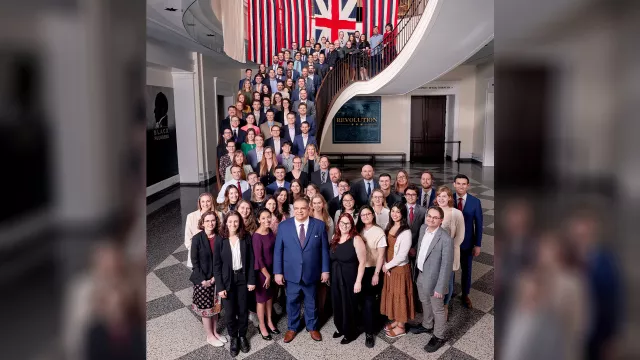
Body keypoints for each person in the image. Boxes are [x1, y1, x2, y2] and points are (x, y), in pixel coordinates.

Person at [274, 197, 330, 343]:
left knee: (311, 301)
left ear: (309, 209)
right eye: (297, 208)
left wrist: (325, 270)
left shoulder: (319, 225)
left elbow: (324, 250)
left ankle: (312, 327)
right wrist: (278, 272)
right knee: (292, 301)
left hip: (312, 272)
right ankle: (292, 328)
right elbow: (278, 251)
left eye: (303, 208)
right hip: (291, 273)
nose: (299, 211)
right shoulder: (284, 226)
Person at [212, 211, 256, 357]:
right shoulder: (220, 239)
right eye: (230, 222)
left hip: (243, 279)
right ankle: (234, 338)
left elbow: (250, 261)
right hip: (227, 280)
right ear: (225, 223)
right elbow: (216, 265)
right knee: (230, 313)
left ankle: (243, 336)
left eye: (236, 221)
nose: (233, 224)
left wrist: (251, 280)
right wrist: (220, 286)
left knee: (243, 310)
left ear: (240, 222)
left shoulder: (246, 237)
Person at [411, 206, 453, 353]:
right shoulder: (423, 228)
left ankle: (438, 336)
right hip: (421, 274)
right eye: (429, 216)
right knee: (424, 301)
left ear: (440, 220)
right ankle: (427, 324)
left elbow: (446, 266)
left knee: (438, 309)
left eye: (435, 217)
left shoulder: (445, 239)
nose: (431, 219)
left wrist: (440, 288)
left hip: (435, 280)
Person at [189, 210, 226, 347]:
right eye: (207, 221)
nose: (210, 223)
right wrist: (203, 279)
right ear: (202, 223)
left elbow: (223, 259)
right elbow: (195, 262)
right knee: (206, 309)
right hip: (202, 280)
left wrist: (215, 278)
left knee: (215, 308)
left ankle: (215, 332)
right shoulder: (197, 238)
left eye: (213, 220)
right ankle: (209, 336)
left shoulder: (220, 237)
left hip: (216, 278)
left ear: (216, 222)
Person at [330, 213, 367, 344]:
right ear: (338, 224)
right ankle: (340, 327)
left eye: (347, 223)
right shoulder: (335, 237)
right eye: (342, 223)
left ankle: (350, 332)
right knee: (337, 304)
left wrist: (358, 281)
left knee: (348, 305)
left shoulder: (356, 239)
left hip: (350, 277)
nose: (344, 226)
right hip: (336, 277)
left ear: (351, 225)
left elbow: (362, 262)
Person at [381, 202, 415, 338]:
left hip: (399, 268)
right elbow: (384, 247)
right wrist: (385, 263)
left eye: (398, 212)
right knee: (393, 294)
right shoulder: (389, 226)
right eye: (393, 211)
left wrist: (387, 266)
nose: (394, 214)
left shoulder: (406, 231)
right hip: (389, 266)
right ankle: (397, 320)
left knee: (400, 295)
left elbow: (401, 256)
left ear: (403, 214)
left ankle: (401, 326)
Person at [356, 205, 387, 348]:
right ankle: (363, 323)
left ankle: (369, 333)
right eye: (363, 215)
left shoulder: (379, 231)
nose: (365, 217)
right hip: (359, 270)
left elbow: (381, 255)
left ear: (373, 215)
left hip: (372, 270)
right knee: (360, 300)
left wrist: (376, 274)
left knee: (369, 302)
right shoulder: (358, 230)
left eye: (368, 214)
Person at [433, 185, 465, 319]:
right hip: (435, 253)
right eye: (439, 196)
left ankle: (445, 305)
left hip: (449, 252)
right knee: (436, 279)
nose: (441, 199)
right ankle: (437, 305)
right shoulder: (433, 210)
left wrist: (450, 249)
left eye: (444, 196)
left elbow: (460, 235)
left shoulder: (456, 213)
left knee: (448, 280)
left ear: (450, 198)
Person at [452, 174, 483, 309]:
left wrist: (478, 244)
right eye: (458, 183)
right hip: (451, 242)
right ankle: (449, 292)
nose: (461, 186)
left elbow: (479, 224)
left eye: (464, 184)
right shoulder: (448, 199)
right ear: (454, 184)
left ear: (468, 185)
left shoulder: (475, 202)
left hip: (467, 243)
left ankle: (465, 294)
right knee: (449, 270)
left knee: (467, 270)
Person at [252, 209, 280, 341]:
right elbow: (258, 258)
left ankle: (270, 321)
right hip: (262, 273)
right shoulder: (256, 236)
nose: (266, 220)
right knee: (261, 300)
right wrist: (267, 275)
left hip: (271, 270)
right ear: (258, 220)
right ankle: (262, 325)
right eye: (263, 218)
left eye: (268, 217)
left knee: (270, 298)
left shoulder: (270, 232)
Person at [184, 193, 213, 268]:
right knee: (200, 278)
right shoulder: (191, 216)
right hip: (197, 255)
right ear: (199, 203)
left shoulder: (219, 215)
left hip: (214, 253)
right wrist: (196, 252)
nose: (205, 204)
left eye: (208, 201)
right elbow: (188, 238)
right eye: (203, 201)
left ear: (212, 202)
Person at [405, 185, 427, 257]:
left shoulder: (423, 211)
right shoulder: (399, 209)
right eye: (408, 194)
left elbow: (424, 232)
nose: (410, 197)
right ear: (405, 196)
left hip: (417, 247)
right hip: (402, 246)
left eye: (413, 195)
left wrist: (415, 248)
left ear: (417, 197)